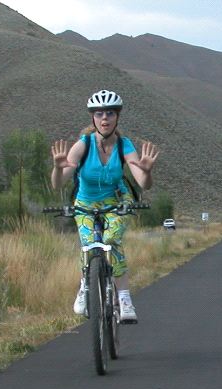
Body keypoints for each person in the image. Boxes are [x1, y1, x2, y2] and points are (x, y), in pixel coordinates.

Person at [50, 89, 159, 322]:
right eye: (99, 114)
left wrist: (147, 172)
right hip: (85, 201)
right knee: (89, 243)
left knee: (111, 239)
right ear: (93, 118)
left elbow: (143, 183)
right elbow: (59, 183)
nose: (105, 118)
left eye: (110, 113)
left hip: (116, 200)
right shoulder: (83, 145)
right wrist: (59, 169)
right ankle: (85, 286)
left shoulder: (124, 145)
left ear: (117, 117)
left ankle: (125, 298)